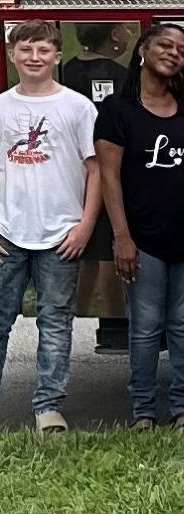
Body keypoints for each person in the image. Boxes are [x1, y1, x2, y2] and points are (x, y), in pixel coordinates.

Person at [96, 23, 184, 431]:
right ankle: (143, 413)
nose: (174, 53)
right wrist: (122, 238)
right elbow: (109, 178)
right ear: (143, 49)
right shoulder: (116, 111)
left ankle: (183, 411)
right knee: (144, 328)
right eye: (165, 44)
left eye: (182, 49)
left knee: (183, 324)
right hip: (142, 238)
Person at [0, 21, 100, 432]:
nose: (34, 57)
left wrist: (84, 226)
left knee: (55, 322)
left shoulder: (78, 108)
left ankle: (48, 407)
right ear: (11, 55)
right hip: (8, 234)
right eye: (26, 49)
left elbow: (95, 170)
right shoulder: (2, 106)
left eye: (43, 49)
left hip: (61, 235)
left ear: (58, 56)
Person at [61, 22, 135, 355]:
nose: (129, 34)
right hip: (110, 173)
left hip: (72, 175)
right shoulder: (121, 76)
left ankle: (80, 313)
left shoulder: (67, 71)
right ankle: (115, 324)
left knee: (85, 254)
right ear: (115, 34)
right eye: (124, 28)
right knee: (107, 252)